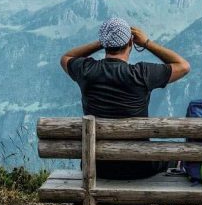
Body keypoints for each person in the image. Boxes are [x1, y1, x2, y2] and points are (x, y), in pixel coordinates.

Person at [60, 17, 191, 180]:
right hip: (139, 165)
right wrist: (147, 43)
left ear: (105, 45)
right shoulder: (141, 74)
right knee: (176, 157)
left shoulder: (86, 71)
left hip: (96, 166)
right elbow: (183, 66)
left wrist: (102, 42)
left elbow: (66, 57)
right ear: (131, 43)